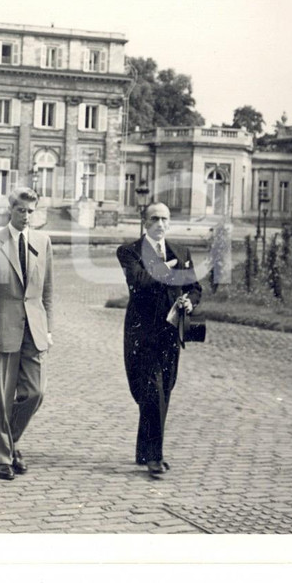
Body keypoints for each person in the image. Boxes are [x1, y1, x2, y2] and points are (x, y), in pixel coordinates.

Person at [116, 201, 202, 477]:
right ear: (145, 222)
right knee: (152, 391)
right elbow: (139, 282)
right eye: (154, 218)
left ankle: (144, 451)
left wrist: (189, 301)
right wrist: (167, 268)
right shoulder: (130, 251)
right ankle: (155, 457)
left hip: (170, 332)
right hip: (142, 333)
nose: (160, 224)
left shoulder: (181, 252)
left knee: (165, 389)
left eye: (165, 219)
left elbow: (194, 287)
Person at [0, 187, 54, 480]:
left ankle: (9, 443)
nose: (26, 216)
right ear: (10, 210)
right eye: (21, 210)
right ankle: (2, 457)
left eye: (30, 211)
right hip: (2, 328)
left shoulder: (43, 242)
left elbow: (48, 292)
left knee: (35, 392)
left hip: (34, 328)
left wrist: (48, 329)